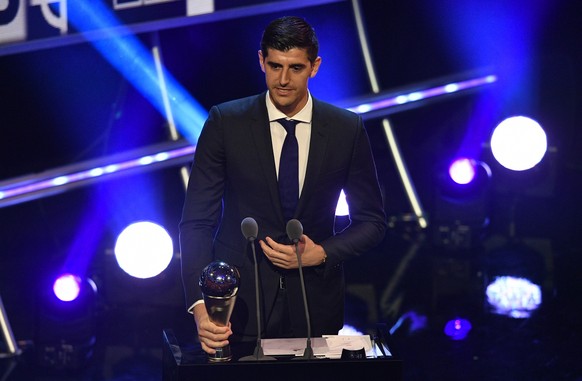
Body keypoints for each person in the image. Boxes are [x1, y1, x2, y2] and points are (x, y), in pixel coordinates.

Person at [180, 15, 386, 355]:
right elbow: (196, 221)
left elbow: (372, 222)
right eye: (275, 66)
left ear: (314, 66)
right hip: (237, 307)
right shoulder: (226, 123)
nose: (284, 80)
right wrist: (203, 307)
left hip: (314, 308)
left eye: (296, 68)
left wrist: (321, 254)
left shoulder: (345, 129)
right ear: (261, 61)